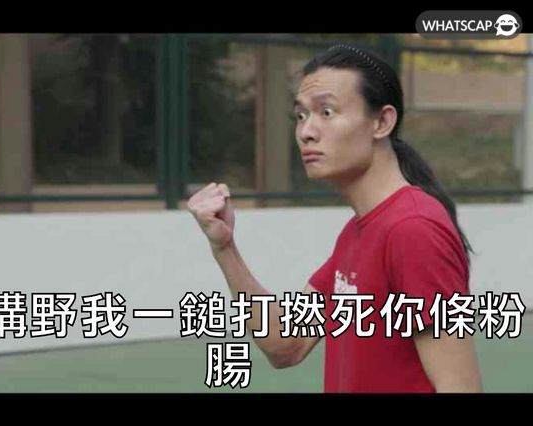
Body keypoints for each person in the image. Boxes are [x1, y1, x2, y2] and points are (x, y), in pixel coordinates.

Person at [187, 43, 484, 393]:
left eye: (326, 112)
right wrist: (225, 247)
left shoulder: (412, 229)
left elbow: (460, 386)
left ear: (382, 122)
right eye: (301, 116)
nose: (306, 132)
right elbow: (287, 343)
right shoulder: (358, 232)